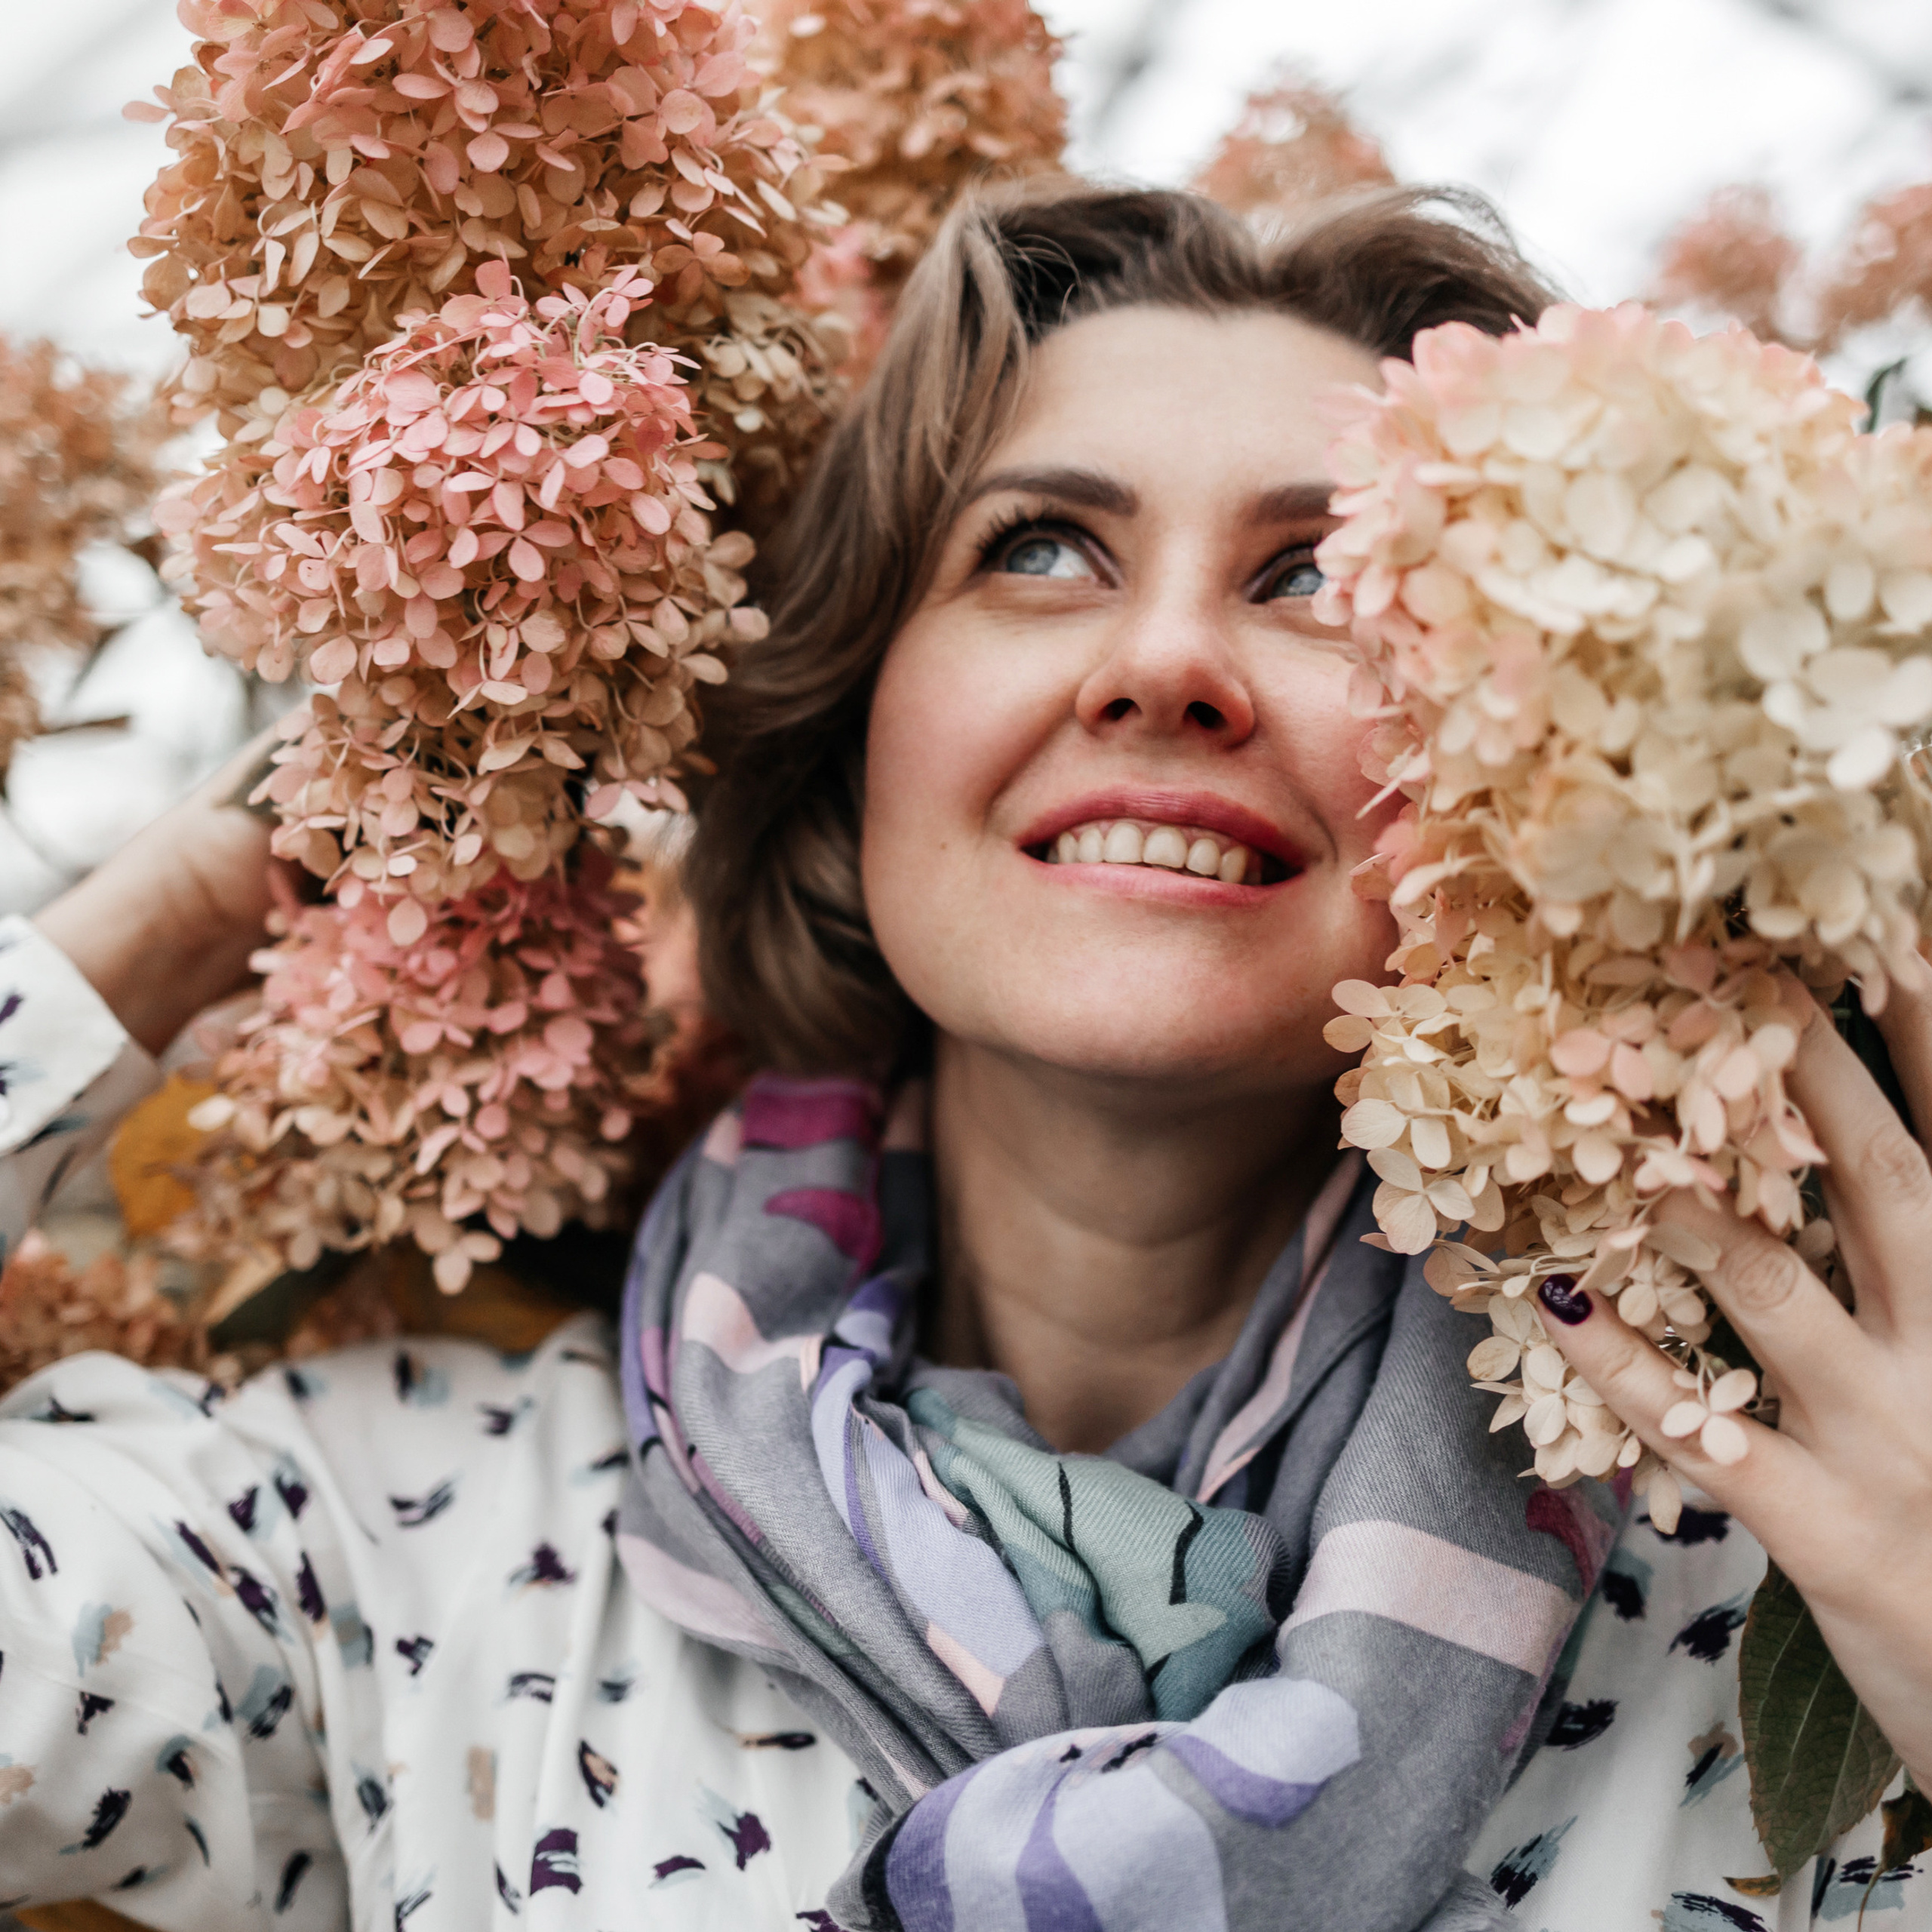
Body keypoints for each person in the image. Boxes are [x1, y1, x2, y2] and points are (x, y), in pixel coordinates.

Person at [0, 183, 1925, 1932]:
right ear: (846, 739)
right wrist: (204, 883)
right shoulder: (409, 1536)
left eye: (1321, 578)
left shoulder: (1781, 1581)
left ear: (1543, 776)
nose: (1163, 660)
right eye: (1039, 549)